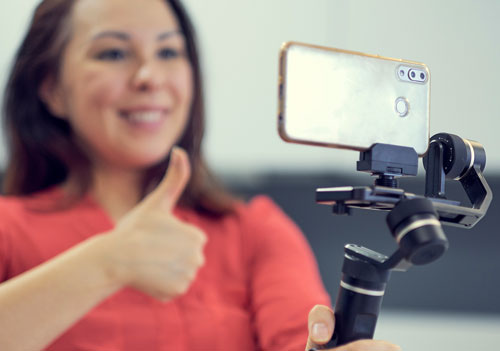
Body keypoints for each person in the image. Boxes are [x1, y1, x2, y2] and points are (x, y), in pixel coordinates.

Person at [0, 0, 402, 350]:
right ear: (51, 89)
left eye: (169, 52)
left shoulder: (254, 232)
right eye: (113, 54)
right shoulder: (9, 229)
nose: (149, 77)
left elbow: (299, 339)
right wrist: (108, 262)